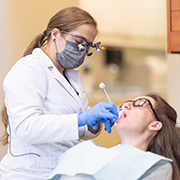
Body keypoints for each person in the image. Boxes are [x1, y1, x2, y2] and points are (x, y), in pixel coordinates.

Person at [0, 6, 119, 180]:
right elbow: (26, 128)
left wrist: (94, 123)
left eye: (87, 46)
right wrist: (81, 118)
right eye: (79, 42)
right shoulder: (29, 69)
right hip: (30, 173)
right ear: (55, 34)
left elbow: (81, 131)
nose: (82, 50)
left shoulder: (72, 76)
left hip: (64, 169)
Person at [46, 93, 180, 180]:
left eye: (139, 104)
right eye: (127, 102)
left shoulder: (155, 166)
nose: (126, 105)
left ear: (155, 125)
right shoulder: (84, 151)